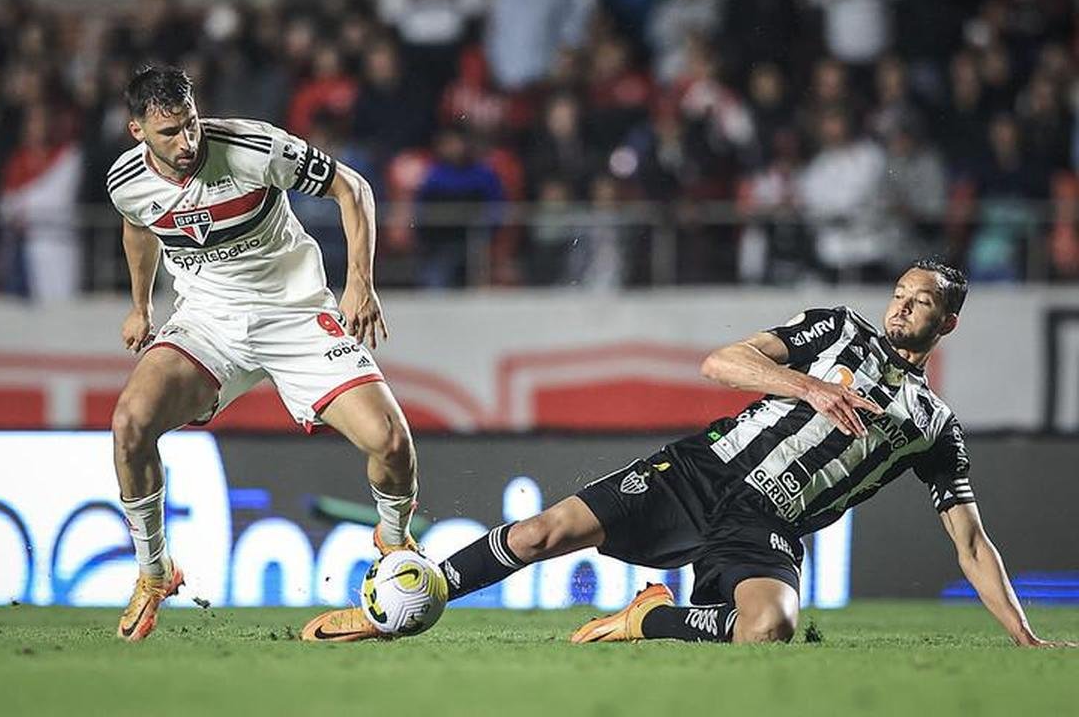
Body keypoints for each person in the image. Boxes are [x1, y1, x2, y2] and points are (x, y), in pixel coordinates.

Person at [303, 261, 1072, 647]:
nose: (901, 305)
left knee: (769, 630)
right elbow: (721, 362)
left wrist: (1025, 638)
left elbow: (969, 541)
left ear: (947, 322)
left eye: (922, 302)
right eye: (900, 292)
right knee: (540, 534)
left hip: (766, 523)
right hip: (703, 470)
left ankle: (652, 619)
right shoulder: (838, 329)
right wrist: (804, 387)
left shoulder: (932, 424)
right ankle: (397, 611)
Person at [106, 66, 418, 641]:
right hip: (208, 322)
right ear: (137, 132)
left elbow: (354, 188)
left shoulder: (253, 147)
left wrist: (359, 283)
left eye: (192, 125)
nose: (187, 143)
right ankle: (154, 572)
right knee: (129, 424)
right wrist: (141, 307)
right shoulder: (126, 181)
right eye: (170, 133)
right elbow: (137, 227)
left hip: (295, 313)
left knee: (392, 442)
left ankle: (394, 543)